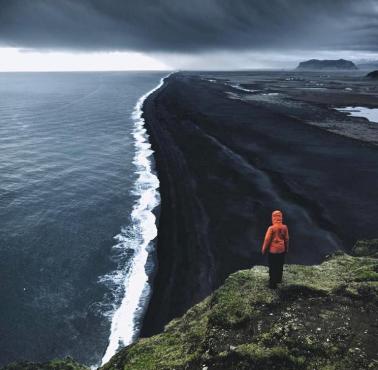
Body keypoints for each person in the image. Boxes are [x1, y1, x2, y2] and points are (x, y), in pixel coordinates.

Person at [261, 210, 289, 289]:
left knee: (273, 266)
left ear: (273, 218)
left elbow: (267, 240)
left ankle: (272, 284)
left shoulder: (271, 228)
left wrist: (263, 249)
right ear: (281, 218)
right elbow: (287, 239)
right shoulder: (284, 227)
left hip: (273, 251)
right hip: (281, 250)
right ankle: (279, 279)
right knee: (280, 265)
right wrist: (286, 248)